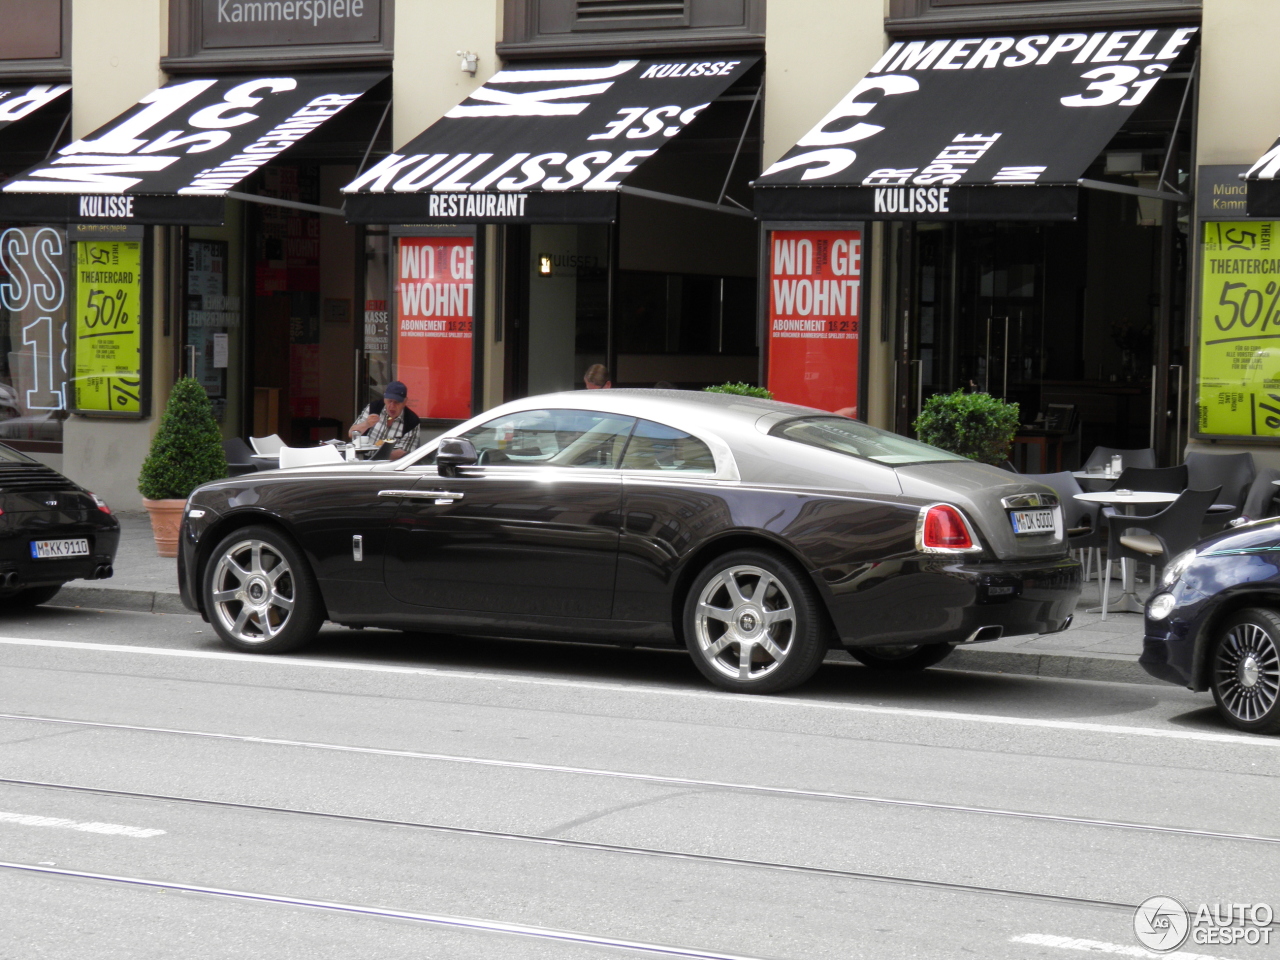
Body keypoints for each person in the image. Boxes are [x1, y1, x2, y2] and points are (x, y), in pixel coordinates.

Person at [350, 380, 420, 461]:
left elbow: (404, 452)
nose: (392, 406)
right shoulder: (374, 408)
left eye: (396, 402)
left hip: (389, 465)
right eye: (389, 401)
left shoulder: (412, 421)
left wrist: (376, 460)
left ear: (405, 402)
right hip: (362, 459)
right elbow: (351, 434)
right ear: (384, 399)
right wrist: (366, 424)